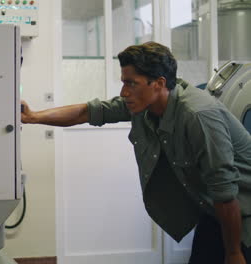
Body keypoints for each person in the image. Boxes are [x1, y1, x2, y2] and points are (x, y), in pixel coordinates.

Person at [21, 41, 251, 264]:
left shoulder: (198, 115)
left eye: (131, 83)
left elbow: (225, 191)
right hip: (217, 211)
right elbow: (89, 112)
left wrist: (233, 253)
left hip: (242, 209)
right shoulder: (145, 105)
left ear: (159, 83)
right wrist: (33, 117)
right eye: (124, 82)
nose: (124, 92)